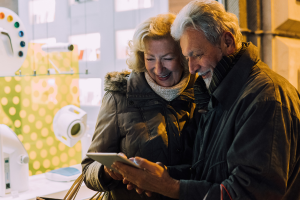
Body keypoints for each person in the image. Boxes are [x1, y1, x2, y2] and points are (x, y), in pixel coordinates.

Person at [112, 1, 300, 200]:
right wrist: (163, 176)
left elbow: (247, 194)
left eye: (197, 55)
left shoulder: (265, 98)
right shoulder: (222, 92)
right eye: (187, 58)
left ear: (228, 42)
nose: (192, 68)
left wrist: (170, 186)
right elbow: (208, 173)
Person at [81, 13, 197, 200]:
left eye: (167, 58)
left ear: (184, 56)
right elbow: (88, 169)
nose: (158, 69)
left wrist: (166, 177)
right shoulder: (119, 97)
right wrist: (106, 171)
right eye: (150, 58)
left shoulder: (202, 94)